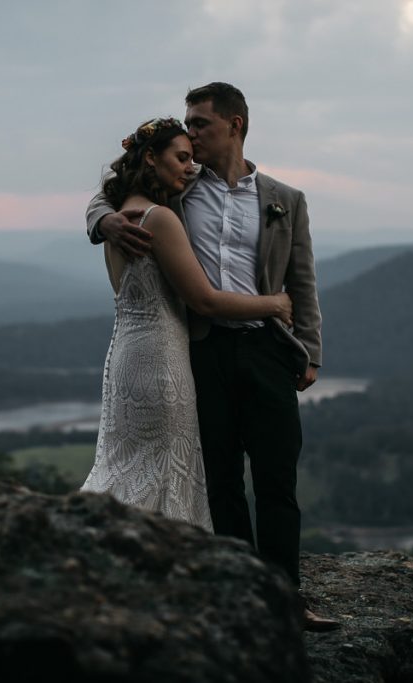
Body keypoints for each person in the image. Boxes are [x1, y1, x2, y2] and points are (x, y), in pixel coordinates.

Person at [86, 84, 339, 631]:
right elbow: (114, 195)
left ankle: (286, 597)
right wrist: (101, 221)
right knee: (219, 480)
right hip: (202, 350)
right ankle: (239, 594)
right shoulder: (180, 187)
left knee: (276, 478)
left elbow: (302, 281)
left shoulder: (284, 198)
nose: (192, 133)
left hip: (267, 349)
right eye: (188, 124)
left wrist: (310, 351)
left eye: (200, 123)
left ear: (235, 125)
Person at [81, 116, 293, 536]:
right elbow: (204, 300)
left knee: (128, 465)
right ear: (150, 157)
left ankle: (110, 543)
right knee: (163, 470)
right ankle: (158, 556)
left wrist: (100, 217)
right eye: (180, 158)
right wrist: (275, 303)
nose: (189, 167)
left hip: (126, 356)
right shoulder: (159, 218)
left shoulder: (120, 217)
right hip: (161, 362)